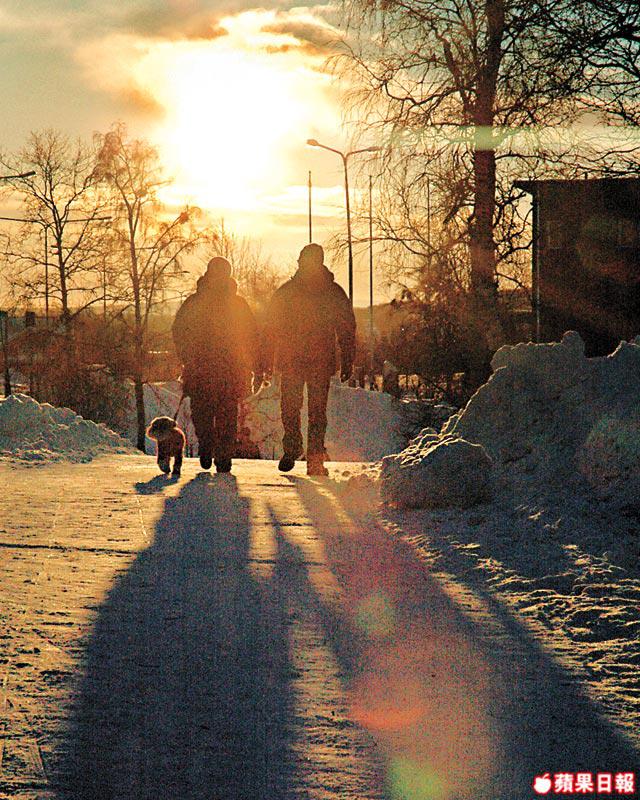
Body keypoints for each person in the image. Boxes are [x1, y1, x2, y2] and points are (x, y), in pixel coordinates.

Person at [262, 243, 356, 476]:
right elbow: (346, 327)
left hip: (295, 359)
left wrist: (265, 359)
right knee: (315, 411)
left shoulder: (288, 291)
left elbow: (270, 328)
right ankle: (312, 458)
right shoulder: (333, 292)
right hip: (316, 360)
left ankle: (296, 449)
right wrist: (347, 359)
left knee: (293, 407)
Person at [172, 257, 258, 473]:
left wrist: (186, 356)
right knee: (225, 415)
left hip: (204, 369)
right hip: (225, 369)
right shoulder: (237, 304)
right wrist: (249, 363)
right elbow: (251, 335)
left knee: (204, 412)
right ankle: (220, 453)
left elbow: (179, 331)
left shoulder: (195, 302)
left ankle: (210, 447)